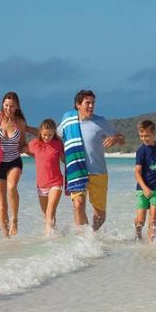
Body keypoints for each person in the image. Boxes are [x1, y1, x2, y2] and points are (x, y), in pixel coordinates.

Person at [59, 89, 124, 230]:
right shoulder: (68, 120)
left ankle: (92, 234)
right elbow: (54, 137)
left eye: (93, 103)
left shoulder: (100, 122)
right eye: (87, 103)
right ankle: (82, 237)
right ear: (78, 104)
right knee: (78, 204)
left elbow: (122, 138)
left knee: (100, 216)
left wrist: (115, 139)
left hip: (98, 172)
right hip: (77, 171)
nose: (91, 106)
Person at [0, 92, 32, 237]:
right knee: (2, 205)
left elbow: (22, 144)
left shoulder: (20, 123)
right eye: (6, 105)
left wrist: (36, 152)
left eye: (11, 106)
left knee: (11, 187)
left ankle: (14, 220)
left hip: (14, 161)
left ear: (17, 107)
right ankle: (6, 237)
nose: (8, 109)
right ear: (2, 104)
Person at [27, 119, 65, 235]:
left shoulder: (58, 144)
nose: (47, 137)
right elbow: (23, 149)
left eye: (50, 135)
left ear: (54, 133)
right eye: (44, 135)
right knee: (47, 215)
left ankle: (48, 239)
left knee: (50, 211)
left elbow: (65, 160)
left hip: (56, 183)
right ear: (40, 132)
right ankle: (55, 236)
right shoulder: (34, 144)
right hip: (41, 185)